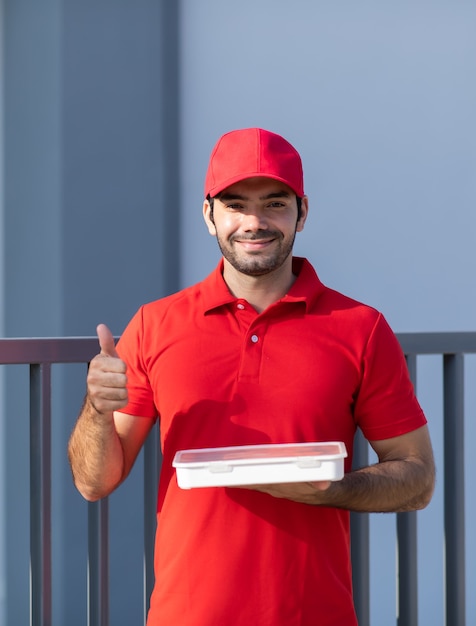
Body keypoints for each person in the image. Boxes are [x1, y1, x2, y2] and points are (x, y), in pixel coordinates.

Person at [68, 127, 435, 626]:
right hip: (187, 615)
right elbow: (95, 483)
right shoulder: (155, 325)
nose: (254, 222)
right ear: (209, 215)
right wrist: (96, 407)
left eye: (275, 204)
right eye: (236, 204)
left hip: (314, 614)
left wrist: (334, 491)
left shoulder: (361, 328)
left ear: (302, 213)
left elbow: (417, 477)